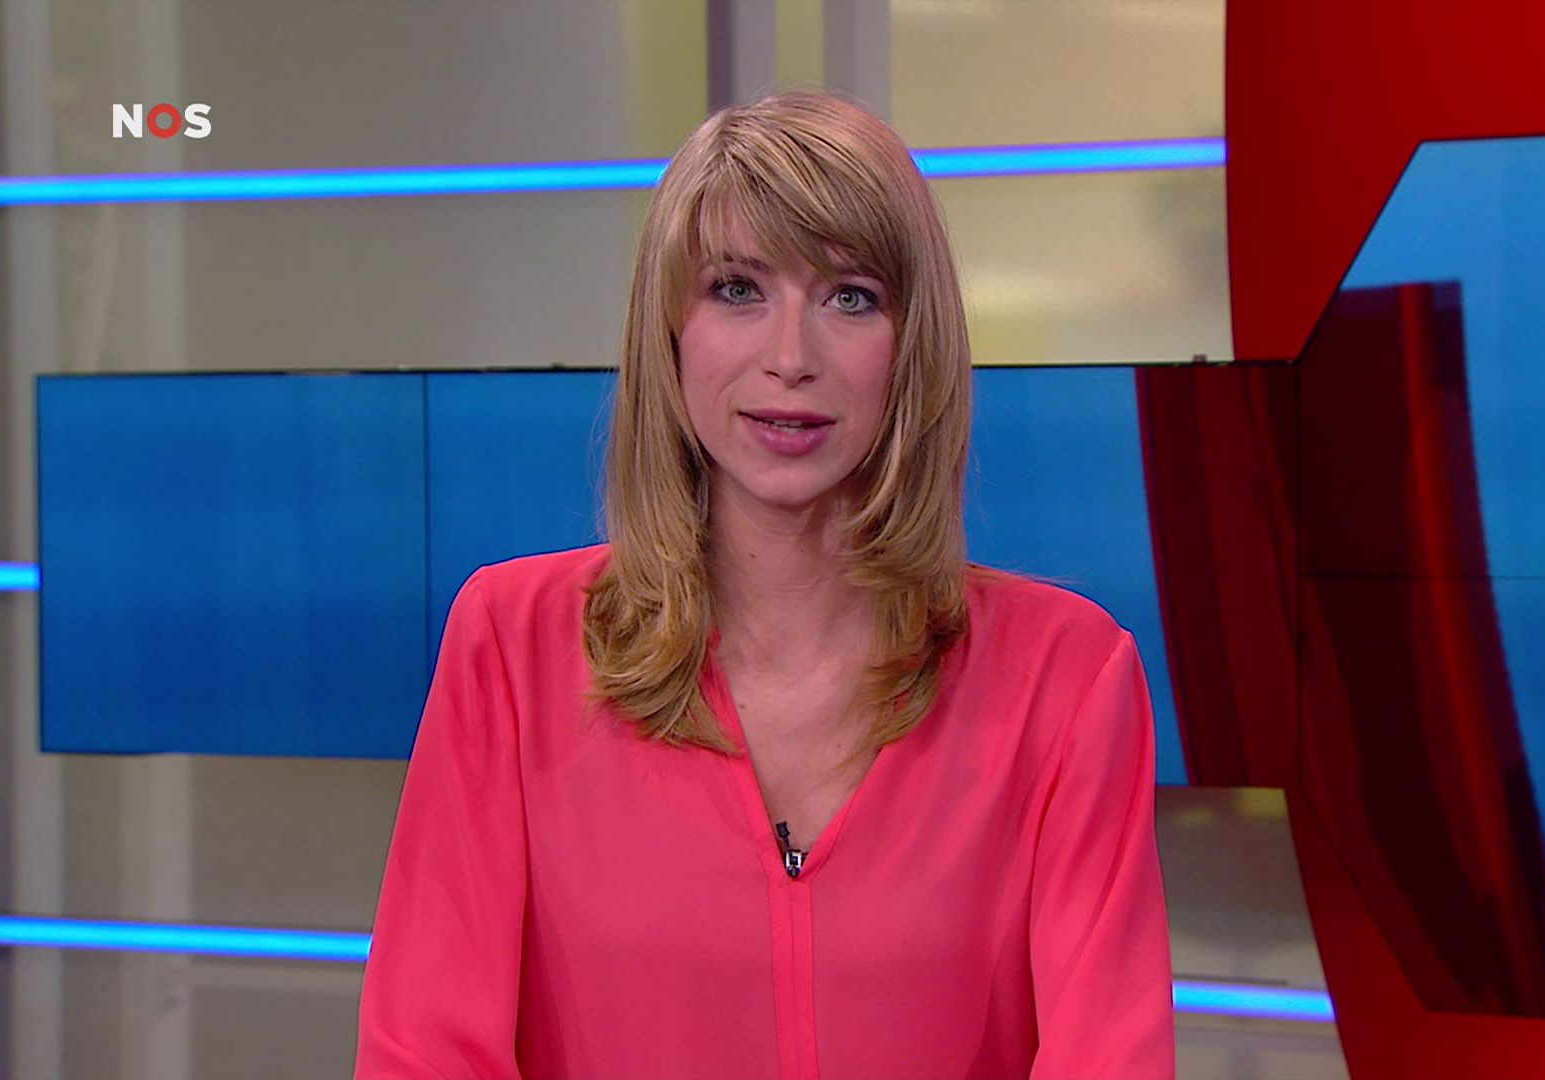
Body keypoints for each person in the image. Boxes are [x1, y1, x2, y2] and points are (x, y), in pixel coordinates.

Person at [353, 89, 1174, 1080]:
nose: (791, 359)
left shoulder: (1065, 677)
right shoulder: (512, 646)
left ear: (911, 345)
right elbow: (425, 1053)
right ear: (672, 330)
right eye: (737, 289)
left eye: (850, 297)